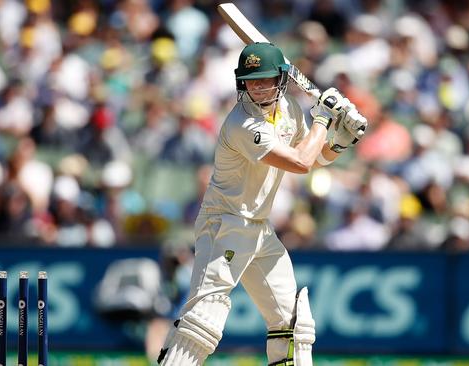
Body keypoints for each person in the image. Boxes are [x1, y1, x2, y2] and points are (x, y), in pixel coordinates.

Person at [157, 42, 367, 366]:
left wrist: (340, 140)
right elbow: (299, 162)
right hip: (225, 223)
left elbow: (316, 157)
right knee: (203, 320)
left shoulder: (291, 111)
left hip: (259, 228)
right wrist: (324, 119)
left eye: (264, 79)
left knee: (292, 323)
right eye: (250, 80)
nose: (256, 86)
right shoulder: (243, 123)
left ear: (281, 80)